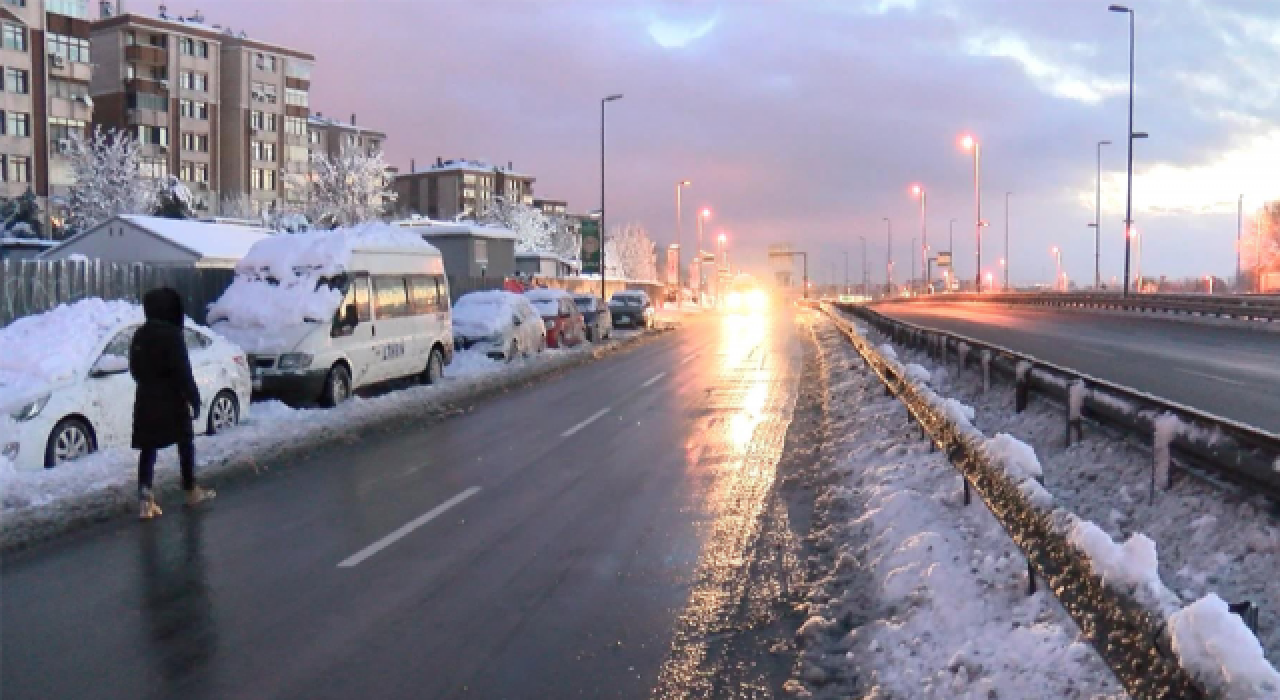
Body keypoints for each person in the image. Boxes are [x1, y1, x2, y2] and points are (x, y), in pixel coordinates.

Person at [130, 288, 215, 519]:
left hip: (145, 399)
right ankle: (190, 490)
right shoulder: (173, 336)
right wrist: (194, 399)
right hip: (171, 399)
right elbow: (183, 372)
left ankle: (145, 499)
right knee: (185, 441)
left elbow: (134, 369)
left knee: (148, 448)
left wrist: (149, 383)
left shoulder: (140, 335)